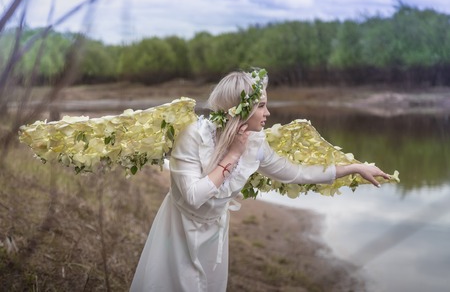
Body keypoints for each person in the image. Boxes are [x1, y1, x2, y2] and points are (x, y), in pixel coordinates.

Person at [129, 68, 390, 291]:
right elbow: (194, 196)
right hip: (178, 230)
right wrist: (232, 155)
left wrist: (354, 167)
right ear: (240, 108)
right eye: (261, 105)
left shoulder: (256, 144)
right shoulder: (193, 137)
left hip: (213, 232)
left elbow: (297, 173)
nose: (268, 113)